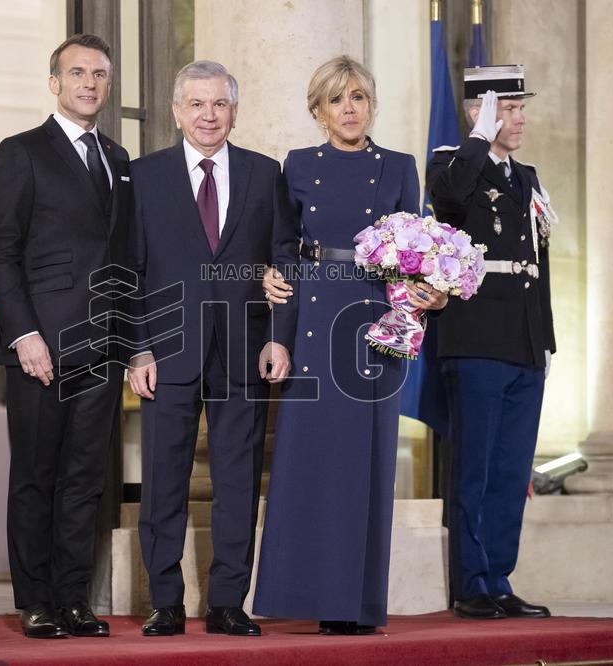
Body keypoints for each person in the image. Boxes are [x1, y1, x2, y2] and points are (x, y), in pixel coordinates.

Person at [252, 55, 448, 634]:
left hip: (373, 321)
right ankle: (313, 596)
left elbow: (414, 254)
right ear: (318, 110)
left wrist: (427, 295)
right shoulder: (298, 165)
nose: (348, 109)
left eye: (358, 97)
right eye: (336, 99)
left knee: (366, 464)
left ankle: (358, 603)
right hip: (315, 317)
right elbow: (284, 256)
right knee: (312, 464)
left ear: (371, 104)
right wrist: (277, 340)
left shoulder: (397, 167)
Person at [126, 60, 298, 638]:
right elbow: (129, 269)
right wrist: (138, 350)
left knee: (238, 482)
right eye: (196, 104)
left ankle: (228, 601)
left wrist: (278, 336)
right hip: (167, 352)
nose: (207, 115)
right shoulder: (143, 176)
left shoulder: (263, 173)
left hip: (244, 351)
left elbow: (283, 261)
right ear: (177, 111)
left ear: (234, 111)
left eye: (218, 104)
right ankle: (166, 603)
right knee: (164, 483)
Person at [0, 33, 132, 639]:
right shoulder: (21, 152)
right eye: (77, 73)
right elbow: (2, 252)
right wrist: (24, 335)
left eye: (99, 74)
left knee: (84, 478)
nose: (90, 84)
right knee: (36, 474)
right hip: (40, 346)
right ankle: (36, 599)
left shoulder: (121, 161)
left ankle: (73, 597)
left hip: (104, 345)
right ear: (55, 83)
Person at [426, 65, 555, 620]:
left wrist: (544, 340)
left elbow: (537, 265)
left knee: (510, 468)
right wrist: (479, 136)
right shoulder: (453, 164)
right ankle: (471, 582)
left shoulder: (526, 176)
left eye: (522, 107)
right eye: (508, 107)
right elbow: (450, 198)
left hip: (525, 341)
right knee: (475, 466)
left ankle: (499, 577)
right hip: (477, 338)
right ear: (481, 112)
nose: (519, 117)